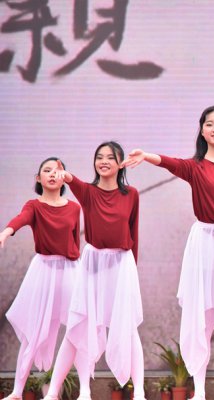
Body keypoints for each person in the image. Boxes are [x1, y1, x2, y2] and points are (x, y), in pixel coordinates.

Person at [122, 106, 214, 400]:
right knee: (202, 318)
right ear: (202, 131)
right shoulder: (196, 167)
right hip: (205, 244)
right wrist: (146, 155)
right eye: (209, 124)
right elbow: (171, 164)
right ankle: (198, 391)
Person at [43, 142, 145, 400]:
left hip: (122, 265)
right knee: (77, 326)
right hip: (93, 265)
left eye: (110, 157)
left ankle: (140, 393)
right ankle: (52, 393)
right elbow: (72, 180)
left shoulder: (132, 194)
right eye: (99, 157)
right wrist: (64, 175)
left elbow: (134, 233)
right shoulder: (88, 192)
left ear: (121, 163)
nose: (104, 161)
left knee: (128, 328)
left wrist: (132, 270)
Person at [1, 157, 80, 400]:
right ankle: (17, 391)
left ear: (64, 177)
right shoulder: (34, 206)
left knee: (78, 328)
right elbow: (21, 218)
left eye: (57, 171)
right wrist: (6, 232)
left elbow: (76, 242)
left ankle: (82, 391)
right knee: (33, 331)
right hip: (43, 270)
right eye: (47, 170)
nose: (53, 174)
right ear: (39, 178)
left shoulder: (74, 208)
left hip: (70, 270)